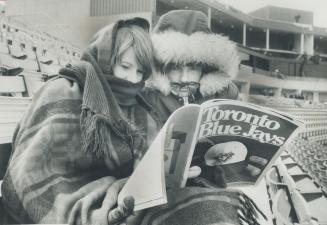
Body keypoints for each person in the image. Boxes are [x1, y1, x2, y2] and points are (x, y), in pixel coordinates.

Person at [1, 17, 163, 225]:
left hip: (120, 197)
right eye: (125, 66)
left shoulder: (140, 108)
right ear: (105, 59)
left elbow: (147, 167)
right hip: (59, 194)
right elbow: (28, 172)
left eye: (140, 72)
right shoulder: (61, 92)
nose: (133, 79)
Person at [140, 10, 267, 225]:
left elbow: (238, 145)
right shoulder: (146, 96)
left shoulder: (226, 92)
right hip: (162, 195)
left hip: (214, 186)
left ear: (207, 67)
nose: (183, 78)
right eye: (174, 67)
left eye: (192, 67)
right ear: (161, 66)